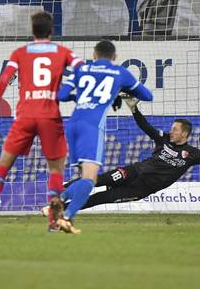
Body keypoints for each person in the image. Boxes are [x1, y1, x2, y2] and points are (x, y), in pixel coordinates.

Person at [0, 11, 82, 232]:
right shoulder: (63, 51)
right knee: (55, 169)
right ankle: (53, 222)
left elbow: (4, 78)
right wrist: (72, 90)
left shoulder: (20, 52)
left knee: (2, 167)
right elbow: (81, 69)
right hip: (50, 116)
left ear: (32, 31)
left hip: (25, 116)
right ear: (51, 30)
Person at [48, 94, 200, 213]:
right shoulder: (163, 139)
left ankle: (59, 210)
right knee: (97, 179)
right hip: (134, 172)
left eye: (175, 129)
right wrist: (134, 109)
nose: (171, 131)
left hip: (141, 189)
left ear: (184, 133)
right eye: (172, 128)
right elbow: (146, 127)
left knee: (100, 198)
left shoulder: (193, 154)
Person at [52, 40, 153, 234]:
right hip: (92, 127)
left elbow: (62, 95)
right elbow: (148, 96)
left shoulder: (81, 69)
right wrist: (121, 90)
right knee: (90, 180)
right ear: (114, 58)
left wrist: (79, 98)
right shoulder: (120, 73)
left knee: (84, 178)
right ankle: (66, 216)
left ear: (94, 56)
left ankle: (60, 201)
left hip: (73, 125)